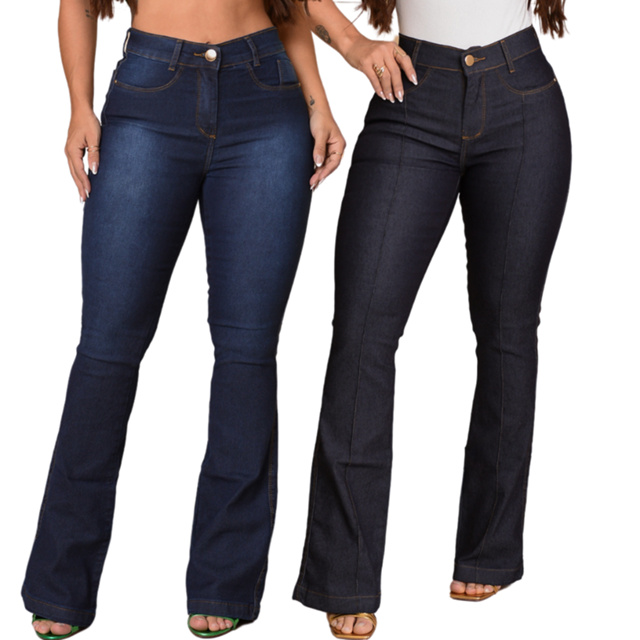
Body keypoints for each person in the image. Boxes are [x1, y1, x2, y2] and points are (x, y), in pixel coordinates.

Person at [23, 0, 345, 638]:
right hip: (150, 91)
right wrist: (80, 105)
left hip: (265, 95)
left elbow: (288, 7)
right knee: (106, 350)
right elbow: (77, 5)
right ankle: (60, 586)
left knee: (247, 352)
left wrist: (317, 102)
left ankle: (224, 582)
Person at [293, 1, 571, 637]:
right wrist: (353, 44)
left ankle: (489, 548)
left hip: (523, 96)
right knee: (361, 333)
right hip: (410, 96)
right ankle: (344, 573)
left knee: (507, 334)